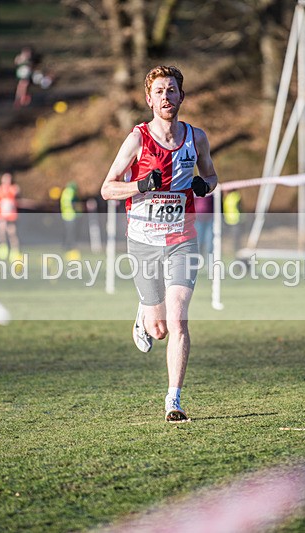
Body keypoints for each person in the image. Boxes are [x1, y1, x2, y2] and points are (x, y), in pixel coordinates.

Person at [101, 65, 218, 423]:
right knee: (159, 328)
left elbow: (211, 176)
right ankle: (144, 311)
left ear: (182, 96)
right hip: (144, 240)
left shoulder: (196, 138)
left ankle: (174, 400)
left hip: (182, 238)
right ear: (149, 99)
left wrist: (203, 186)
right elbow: (107, 188)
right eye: (160, 92)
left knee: (178, 320)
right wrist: (140, 186)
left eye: (172, 90)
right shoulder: (137, 139)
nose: (166, 97)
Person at [0, 172, 21, 261]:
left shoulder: (14, 189)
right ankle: (3, 246)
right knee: (1, 231)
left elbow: (17, 199)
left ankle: (15, 250)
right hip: (1, 213)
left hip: (11, 214)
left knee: (12, 232)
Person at [60, 181, 79, 256]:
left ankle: (65, 246)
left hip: (65, 215)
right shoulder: (71, 191)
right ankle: (71, 247)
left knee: (67, 232)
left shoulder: (65, 192)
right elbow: (72, 202)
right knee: (71, 233)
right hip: (71, 215)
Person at [194, 193, 214, 258]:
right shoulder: (194, 191)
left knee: (209, 241)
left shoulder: (211, 191)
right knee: (199, 240)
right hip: (198, 220)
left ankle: (209, 259)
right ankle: (199, 258)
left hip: (210, 219)